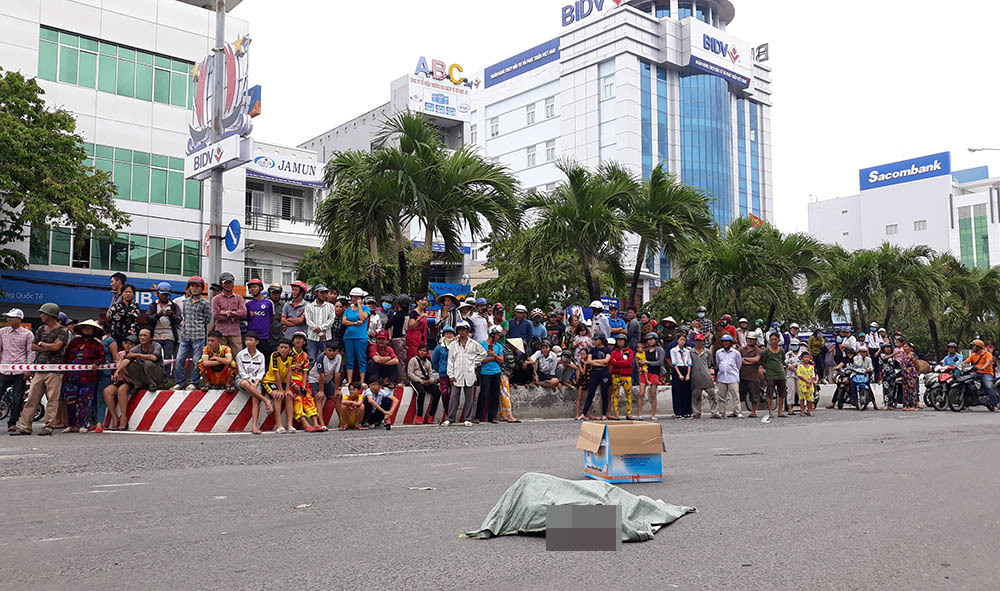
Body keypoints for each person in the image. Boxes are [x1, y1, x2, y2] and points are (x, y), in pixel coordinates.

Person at [12, 303, 69, 436]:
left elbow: (57, 347)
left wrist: (42, 344)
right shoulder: (40, 329)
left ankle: (49, 426)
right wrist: (49, 346)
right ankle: (25, 426)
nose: (41, 316)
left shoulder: (63, 330)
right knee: (32, 398)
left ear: (50, 315)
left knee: (52, 399)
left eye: (43, 313)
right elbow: (33, 346)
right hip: (39, 368)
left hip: (55, 369)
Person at [59, 319, 105, 434]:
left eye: (89, 328)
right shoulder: (74, 342)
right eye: (85, 328)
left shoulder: (97, 344)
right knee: (70, 401)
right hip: (71, 377)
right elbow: (66, 356)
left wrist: (96, 363)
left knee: (85, 401)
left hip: (88, 377)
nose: (87, 330)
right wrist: (65, 371)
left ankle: (83, 424)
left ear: (94, 331)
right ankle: (71, 424)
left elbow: (102, 358)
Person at [444, 321, 485, 426]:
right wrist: (451, 375)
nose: (462, 332)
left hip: (469, 373)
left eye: (464, 329)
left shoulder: (474, 344)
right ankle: (450, 418)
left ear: (467, 331)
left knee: (469, 398)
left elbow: (483, 353)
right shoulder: (453, 345)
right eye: (460, 329)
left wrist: (474, 363)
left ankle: (468, 418)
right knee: (454, 397)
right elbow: (450, 361)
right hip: (457, 373)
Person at [175, 276, 211, 390]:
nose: (194, 288)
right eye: (192, 286)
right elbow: (184, 317)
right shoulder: (185, 302)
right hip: (185, 336)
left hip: (198, 336)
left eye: (197, 286)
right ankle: (180, 382)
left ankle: (194, 383)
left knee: (197, 362)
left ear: (201, 289)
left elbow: (207, 319)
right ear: (189, 288)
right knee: (179, 360)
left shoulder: (205, 303)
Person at [1, 309, 34, 434]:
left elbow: (30, 352)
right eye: (8, 317)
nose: (9, 319)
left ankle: (12, 423)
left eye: (12, 317)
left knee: (17, 398)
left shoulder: (27, 334)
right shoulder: (2, 332)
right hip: (4, 369)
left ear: (19, 319)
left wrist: (27, 369)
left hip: (19, 371)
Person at [236, 331, 270, 435]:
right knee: (246, 384)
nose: (248, 342)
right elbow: (241, 372)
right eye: (246, 340)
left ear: (257, 342)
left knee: (255, 398)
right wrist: (250, 383)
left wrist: (256, 383)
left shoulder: (261, 356)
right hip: (243, 380)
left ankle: (254, 425)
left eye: (251, 340)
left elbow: (261, 372)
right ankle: (265, 400)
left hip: (256, 381)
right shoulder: (240, 354)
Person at [262, 339, 296, 433]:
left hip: (283, 381)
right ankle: (279, 425)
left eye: (286, 348)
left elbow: (290, 372)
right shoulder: (275, 355)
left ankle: (290, 425)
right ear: (278, 348)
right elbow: (276, 373)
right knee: (278, 396)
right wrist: (281, 390)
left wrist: (287, 389)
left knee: (288, 396)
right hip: (270, 381)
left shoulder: (292, 355)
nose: (283, 350)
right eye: (281, 347)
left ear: (290, 349)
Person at [148, 282, 181, 372]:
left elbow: (179, 319)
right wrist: (158, 315)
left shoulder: (173, 306)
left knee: (168, 358)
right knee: (155, 357)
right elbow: (148, 319)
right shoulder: (153, 305)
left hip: (169, 336)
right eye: (162, 294)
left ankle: (167, 378)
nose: (164, 297)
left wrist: (171, 315)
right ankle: (156, 376)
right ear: (158, 294)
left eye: (166, 295)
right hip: (155, 335)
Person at [308, 341, 341, 430]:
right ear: (325, 350)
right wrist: (321, 391)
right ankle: (321, 423)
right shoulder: (321, 357)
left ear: (337, 351)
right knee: (319, 397)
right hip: (315, 379)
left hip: (328, 380)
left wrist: (336, 389)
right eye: (329, 350)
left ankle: (342, 421)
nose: (331, 353)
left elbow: (337, 374)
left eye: (334, 351)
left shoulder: (339, 357)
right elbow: (321, 375)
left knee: (338, 396)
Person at [579, 335, 612, 421]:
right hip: (594, 373)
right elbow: (589, 361)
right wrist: (600, 363)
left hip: (604, 373)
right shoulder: (592, 350)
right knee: (591, 393)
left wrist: (595, 361)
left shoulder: (607, 349)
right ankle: (583, 413)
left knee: (604, 394)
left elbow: (606, 360)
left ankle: (604, 414)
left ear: (601, 340)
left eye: (596, 340)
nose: (595, 341)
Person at [476, 325, 505, 423]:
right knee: (483, 394)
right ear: (492, 335)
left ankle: (492, 416)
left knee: (495, 395)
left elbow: (501, 360)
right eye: (497, 335)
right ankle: (478, 416)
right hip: (485, 373)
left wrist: (493, 355)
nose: (498, 337)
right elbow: (481, 360)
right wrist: (493, 358)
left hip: (496, 372)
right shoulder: (482, 345)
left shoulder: (498, 346)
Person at [212, 272, 247, 353]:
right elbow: (216, 315)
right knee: (220, 356)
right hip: (221, 333)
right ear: (221, 284)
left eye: (230, 282)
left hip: (235, 333)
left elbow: (243, 313)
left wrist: (227, 313)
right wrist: (235, 315)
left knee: (238, 357)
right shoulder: (216, 299)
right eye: (225, 283)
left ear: (233, 284)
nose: (228, 285)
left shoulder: (239, 298)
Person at [92, 320, 117, 433]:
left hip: (105, 373)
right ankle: (94, 420)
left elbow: (115, 357)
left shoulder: (110, 340)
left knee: (100, 397)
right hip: (92, 372)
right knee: (91, 397)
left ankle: (100, 422)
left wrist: (116, 372)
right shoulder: (91, 340)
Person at [343, 287, 371, 383]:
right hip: (348, 337)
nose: (355, 299)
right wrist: (354, 323)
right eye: (354, 297)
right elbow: (344, 321)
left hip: (361, 337)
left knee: (361, 359)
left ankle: (362, 381)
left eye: (358, 297)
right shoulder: (348, 310)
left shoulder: (365, 308)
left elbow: (363, 318)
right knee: (349, 359)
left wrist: (360, 307)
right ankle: (349, 381)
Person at [408, 344, 441, 425]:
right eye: (421, 351)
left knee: (437, 392)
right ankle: (419, 415)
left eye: (424, 351)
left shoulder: (428, 362)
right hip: (416, 380)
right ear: (417, 351)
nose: (422, 352)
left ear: (427, 352)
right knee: (421, 393)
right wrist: (420, 380)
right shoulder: (413, 360)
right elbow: (410, 373)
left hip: (426, 381)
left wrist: (430, 381)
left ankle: (430, 414)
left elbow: (431, 374)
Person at [245, 279, 275, 362]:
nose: (253, 289)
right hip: (251, 337)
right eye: (250, 287)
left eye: (255, 287)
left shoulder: (268, 303)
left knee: (265, 359)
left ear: (260, 288)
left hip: (264, 337)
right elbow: (247, 318)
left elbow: (271, 318)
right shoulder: (248, 304)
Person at [304, 284, 335, 363]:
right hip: (312, 338)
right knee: (311, 360)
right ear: (316, 293)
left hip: (326, 338)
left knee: (327, 360)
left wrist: (320, 328)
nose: (324, 295)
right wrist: (320, 332)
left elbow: (331, 320)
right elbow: (308, 321)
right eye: (322, 293)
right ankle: (310, 375)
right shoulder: (309, 306)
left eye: (325, 293)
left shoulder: (330, 306)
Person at [963, 340, 997, 411]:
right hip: (977, 373)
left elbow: (988, 362)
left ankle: (995, 405)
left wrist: (983, 367)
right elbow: (965, 362)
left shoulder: (987, 354)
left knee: (989, 386)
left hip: (987, 374)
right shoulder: (973, 355)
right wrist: (957, 366)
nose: (972, 348)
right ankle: (967, 401)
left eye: (974, 346)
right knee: (966, 381)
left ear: (978, 347)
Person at [760, 332, 787, 422]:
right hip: (770, 374)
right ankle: (770, 411)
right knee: (770, 393)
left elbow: (782, 360)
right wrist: (769, 368)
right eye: (771, 340)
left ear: (778, 340)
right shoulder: (766, 351)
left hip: (780, 374)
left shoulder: (781, 351)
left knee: (782, 393)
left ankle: (780, 411)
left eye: (775, 339)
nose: (773, 341)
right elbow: (763, 362)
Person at [714, 334, 743, 419]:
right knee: (721, 396)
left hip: (732, 377)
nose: (725, 343)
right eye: (724, 342)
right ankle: (722, 412)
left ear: (730, 343)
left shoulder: (736, 353)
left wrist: (734, 372)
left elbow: (738, 364)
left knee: (735, 396)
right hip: (722, 377)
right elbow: (718, 362)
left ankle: (737, 411)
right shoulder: (718, 352)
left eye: (727, 342)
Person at [637, 333, 665, 419]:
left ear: (656, 340)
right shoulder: (645, 350)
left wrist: (648, 362)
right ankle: (639, 414)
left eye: (652, 339)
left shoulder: (660, 350)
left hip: (654, 372)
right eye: (648, 340)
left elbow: (660, 362)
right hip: (645, 372)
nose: (650, 341)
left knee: (653, 394)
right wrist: (640, 364)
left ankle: (653, 414)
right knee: (641, 393)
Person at [431, 325, 455, 422]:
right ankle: (447, 412)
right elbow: (434, 361)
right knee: (444, 394)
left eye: (450, 334)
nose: (449, 336)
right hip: (443, 374)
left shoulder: (456, 346)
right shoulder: (439, 348)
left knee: (454, 394)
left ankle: (452, 413)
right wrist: (440, 369)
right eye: (447, 334)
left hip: (454, 373)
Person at [689, 334, 714, 420]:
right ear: (695, 341)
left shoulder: (708, 352)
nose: (699, 342)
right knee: (696, 396)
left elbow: (709, 363)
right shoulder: (691, 352)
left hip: (706, 375)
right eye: (697, 341)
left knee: (712, 395)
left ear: (703, 341)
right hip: (695, 376)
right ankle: (696, 413)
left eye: (700, 340)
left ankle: (714, 412)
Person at [670, 334, 693, 419]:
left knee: (686, 392)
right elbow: (674, 362)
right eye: (681, 340)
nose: (682, 341)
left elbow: (689, 362)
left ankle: (687, 411)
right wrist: (679, 374)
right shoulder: (673, 350)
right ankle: (678, 412)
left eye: (684, 340)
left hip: (685, 368)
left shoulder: (687, 351)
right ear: (677, 341)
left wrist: (688, 374)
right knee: (677, 392)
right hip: (677, 370)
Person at [739, 340, 763, 418]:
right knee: (740, 394)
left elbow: (756, 360)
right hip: (742, 375)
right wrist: (751, 361)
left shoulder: (758, 350)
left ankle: (753, 411)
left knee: (754, 395)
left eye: (752, 339)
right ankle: (738, 411)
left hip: (753, 376)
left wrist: (745, 359)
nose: (750, 341)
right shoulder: (741, 349)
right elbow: (739, 360)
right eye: (749, 339)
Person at [405, 294, 430, 359]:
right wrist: (420, 318)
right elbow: (411, 327)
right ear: (417, 302)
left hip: (422, 340)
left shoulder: (423, 311)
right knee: (415, 359)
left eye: (426, 300)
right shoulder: (413, 313)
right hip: (414, 341)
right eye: (422, 300)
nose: (424, 302)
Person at [899, 342, 922, 410]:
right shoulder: (904, 355)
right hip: (904, 374)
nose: (905, 348)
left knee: (912, 390)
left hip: (911, 374)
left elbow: (917, 364)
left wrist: (918, 372)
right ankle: (906, 405)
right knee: (905, 390)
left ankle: (914, 405)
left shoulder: (912, 355)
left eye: (906, 347)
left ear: (909, 347)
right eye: (904, 347)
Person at [784, 339, 804, 413]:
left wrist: (796, 365)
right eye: (792, 345)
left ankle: (803, 408)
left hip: (801, 375)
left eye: (795, 345)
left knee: (800, 390)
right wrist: (791, 367)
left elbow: (805, 362)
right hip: (790, 374)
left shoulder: (802, 354)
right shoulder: (788, 354)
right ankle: (790, 408)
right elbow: (785, 363)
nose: (794, 347)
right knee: (790, 390)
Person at [266, 283, 284, 356]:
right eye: (273, 293)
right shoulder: (265, 303)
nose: (275, 295)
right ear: (269, 293)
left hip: (277, 337)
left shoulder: (284, 305)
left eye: (278, 293)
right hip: (265, 336)